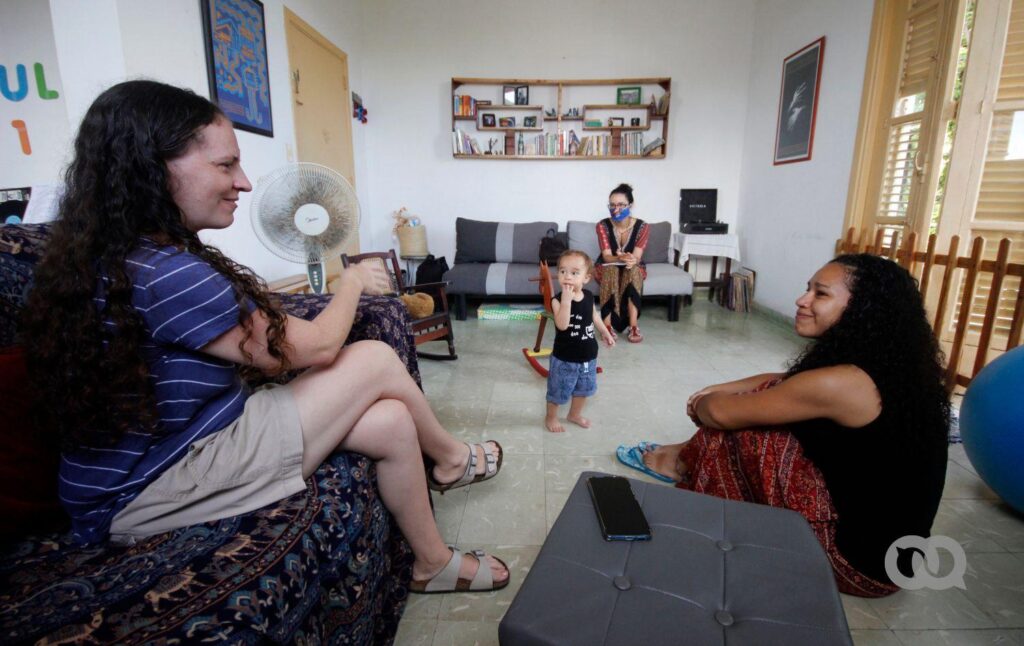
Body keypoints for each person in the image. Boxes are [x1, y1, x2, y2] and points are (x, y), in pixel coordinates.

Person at [20, 80, 508, 594]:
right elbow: (315, 347)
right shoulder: (163, 271)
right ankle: (452, 460)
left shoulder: (114, 253)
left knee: (389, 422)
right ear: (153, 167)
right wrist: (354, 283)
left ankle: (430, 563)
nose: (245, 183)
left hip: (162, 452)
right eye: (225, 165)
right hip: (149, 485)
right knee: (373, 356)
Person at [617, 254, 949, 596]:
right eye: (808, 289)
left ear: (864, 308)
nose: (801, 300)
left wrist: (702, 402)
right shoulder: (890, 364)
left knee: (751, 431)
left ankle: (683, 462)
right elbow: (787, 380)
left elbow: (718, 413)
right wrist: (720, 389)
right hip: (896, 562)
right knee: (772, 399)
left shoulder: (843, 382)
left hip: (855, 566)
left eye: (820, 294)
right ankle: (685, 457)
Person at [544, 250, 615, 433]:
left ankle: (574, 414)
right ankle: (551, 417)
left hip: (588, 356)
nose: (567, 276)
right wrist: (567, 301)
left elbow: (594, 315)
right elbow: (562, 324)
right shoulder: (557, 300)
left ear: (586, 278)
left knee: (583, 389)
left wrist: (605, 331)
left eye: (574, 273)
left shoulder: (589, 296)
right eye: (562, 271)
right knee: (557, 391)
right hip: (564, 358)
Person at [595, 183, 649, 343]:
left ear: (630, 205)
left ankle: (633, 326)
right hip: (608, 265)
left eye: (620, 205)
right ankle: (607, 326)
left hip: (632, 265)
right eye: (612, 205)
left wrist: (631, 260)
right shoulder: (602, 225)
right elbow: (606, 257)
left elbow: (637, 256)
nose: (615, 208)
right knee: (611, 270)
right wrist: (619, 258)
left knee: (633, 271)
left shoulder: (643, 227)